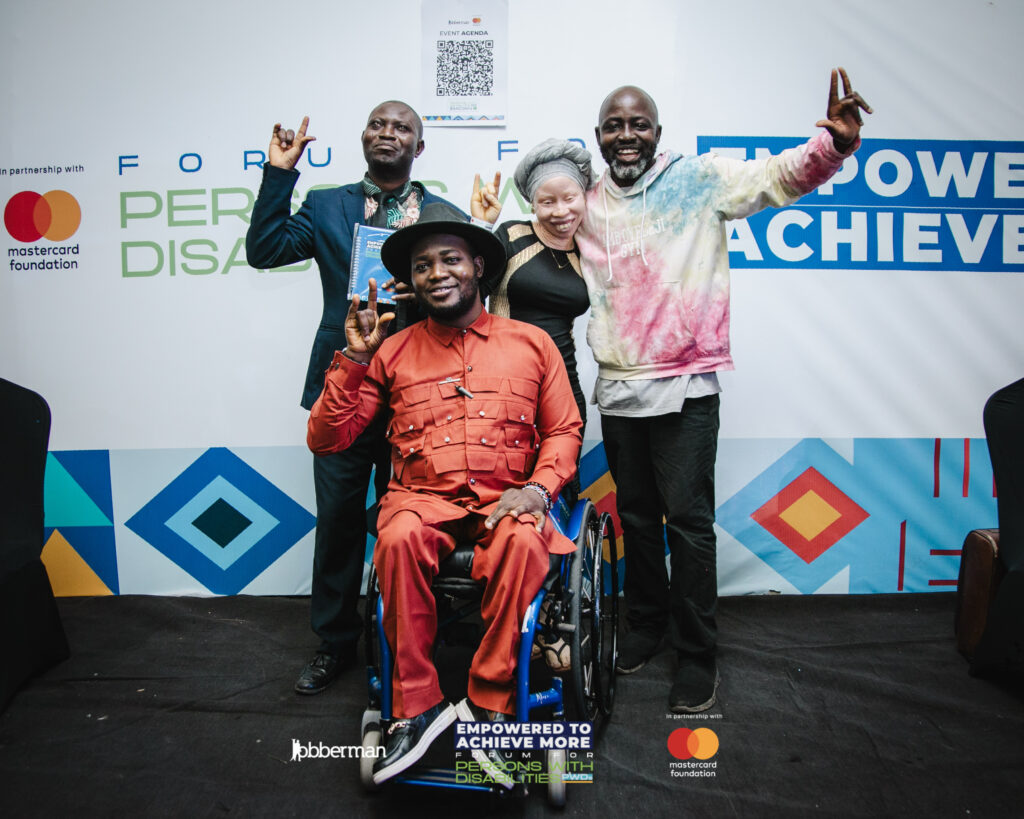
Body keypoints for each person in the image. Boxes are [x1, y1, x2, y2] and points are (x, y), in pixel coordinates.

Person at [574, 69, 872, 713]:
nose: (627, 135)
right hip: (619, 387)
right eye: (614, 126)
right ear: (597, 137)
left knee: (688, 523)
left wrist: (834, 147)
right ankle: (646, 626)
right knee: (634, 520)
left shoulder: (697, 178)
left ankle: (697, 653)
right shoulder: (587, 203)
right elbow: (535, 230)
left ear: (658, 132)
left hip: (686, 385)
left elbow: (774, 178)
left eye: (639, 124)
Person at [306, 220, 582, 784]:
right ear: (411, 280)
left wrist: (535, 489)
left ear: (479, 267)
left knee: (526, 538)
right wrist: (353, 358)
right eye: (423, 266)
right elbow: (328, 438)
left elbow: (565, 430)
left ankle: (490, 703)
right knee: (397, 535)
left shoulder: (532, 343)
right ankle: (417, 708)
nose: (437, 274)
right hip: (420, 502)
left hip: (506, 500)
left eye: (450, 260)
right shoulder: (391, 351)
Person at [245, 102, 466, 695]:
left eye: (401, 128)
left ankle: (419, 635)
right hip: (344, 383)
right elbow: (264, 250)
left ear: (419, 147)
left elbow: (467, 295)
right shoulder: (326, 205)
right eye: (377, 124)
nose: (387, 133)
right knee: (341, 520)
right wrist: (279, 174)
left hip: (419, 393)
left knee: (418, 519)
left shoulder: (443, 214)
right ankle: (335, 643)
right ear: (364, 138)